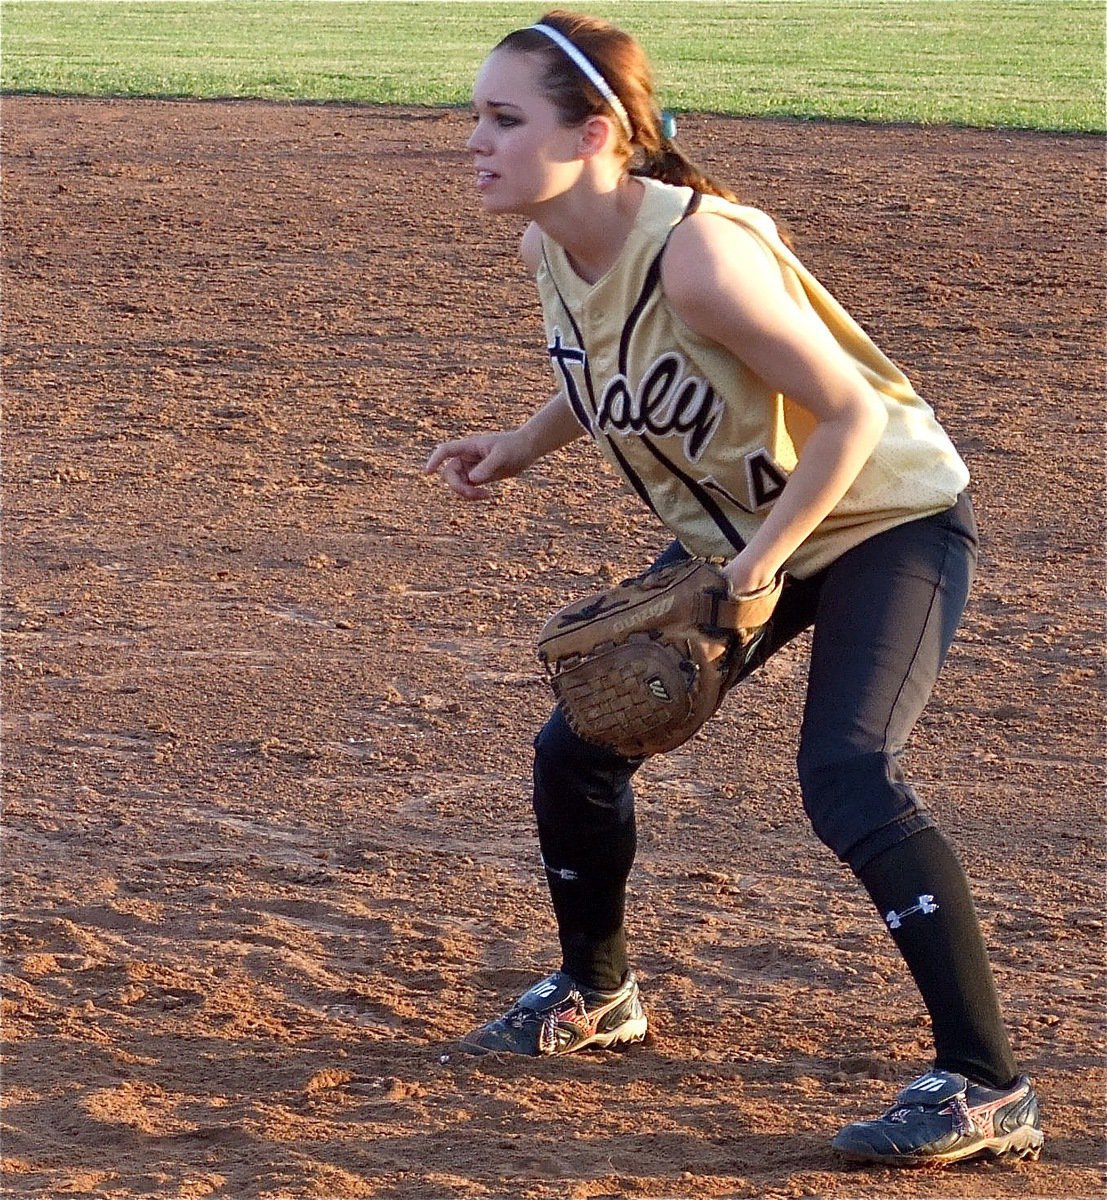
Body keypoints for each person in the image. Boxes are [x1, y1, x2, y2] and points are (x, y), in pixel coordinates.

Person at [424, 9, 1043, 1169]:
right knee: (577, 749)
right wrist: (518, 444)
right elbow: (610, 370)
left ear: (595, 135)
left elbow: (852, 417)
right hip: (750, 535)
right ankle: (598, 993)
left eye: (504, 118)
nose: (475, 139)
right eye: (477, 115)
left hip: (886, 516)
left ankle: (986, 1084)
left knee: (848, 772)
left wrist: (757, 570)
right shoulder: (553, 248)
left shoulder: (700, 257)